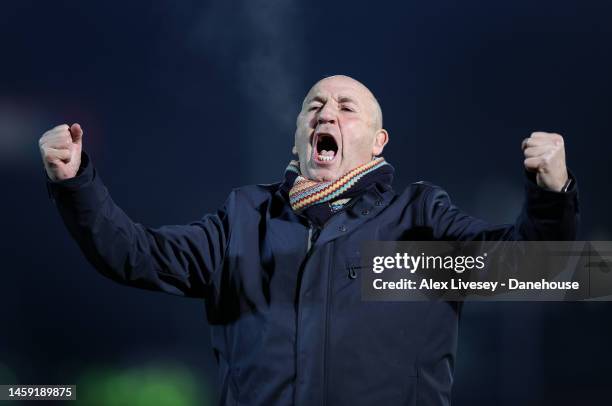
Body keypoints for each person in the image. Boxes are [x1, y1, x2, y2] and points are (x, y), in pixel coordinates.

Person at [39, 75, 579, 405]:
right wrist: (76, 181)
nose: (327, 112)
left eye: (347, 108)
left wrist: (552, 194)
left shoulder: (418, 216)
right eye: (314, 105)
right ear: (300, 136)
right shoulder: (244, 218)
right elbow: (136, 255)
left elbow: (528, 270)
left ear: (377, 142)